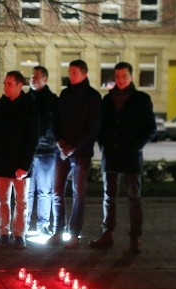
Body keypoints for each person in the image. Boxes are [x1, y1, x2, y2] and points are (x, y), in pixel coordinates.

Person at [89, 62, 157, 254]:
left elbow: (150, 128)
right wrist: (103, 145)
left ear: (131, 77)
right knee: (108, 197)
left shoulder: (141, 99)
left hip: (131, 155)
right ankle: (107, 233)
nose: (120, 80)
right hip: (111, 155)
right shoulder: (107, 100)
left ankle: (135, 238)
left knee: (134, 197)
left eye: (124, 76)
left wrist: (136, 146)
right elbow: (100, 127)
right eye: (117, 76)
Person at [50, 59, 102, 249]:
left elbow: (93, 127)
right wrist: (60, 141)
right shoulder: (64, 94)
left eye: (74, 72)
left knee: (78, 194)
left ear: (84, 74)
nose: (70, 75)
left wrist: (74, 146)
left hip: (81, 152)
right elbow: (55, 120)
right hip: (62, 151)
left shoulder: (93, 97)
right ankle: (58, 230)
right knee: (57, 192)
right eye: (69, 72)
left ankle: (74, 234)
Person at [0, 71, 39, 249]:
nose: (6, 87)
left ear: (20, 85)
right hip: (1, 161)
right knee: (2, 200)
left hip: (20, 164)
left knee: (22, 202)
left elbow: (32, 138)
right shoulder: (0, 105)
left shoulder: (29, 106)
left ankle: (19, 233)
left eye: (10, 84)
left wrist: (25, 165)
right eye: (5, 84)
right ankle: (3, 231)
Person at [25, 65, 58, 236]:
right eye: (31, 76)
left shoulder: (52, 100)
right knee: (27, 191)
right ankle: (22, 224)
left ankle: (43, 224)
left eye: (36, 77)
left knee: (45, 190)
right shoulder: (24, 99)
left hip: (46, 149)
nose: (32, 79)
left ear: (45, 79)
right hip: (28, 151)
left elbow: (55, 125)